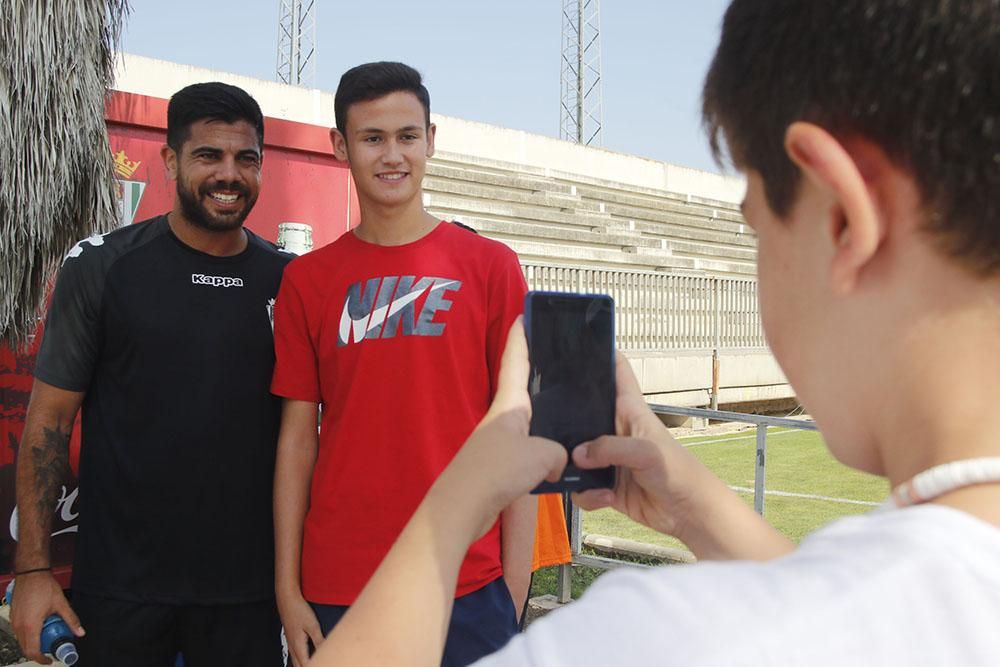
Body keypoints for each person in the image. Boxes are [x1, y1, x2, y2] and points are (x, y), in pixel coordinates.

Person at [308, 1, 1000, 664]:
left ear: (841, 219)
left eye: (756, 224)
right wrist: (694, 503)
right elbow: (856, 615)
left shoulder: (653, 635)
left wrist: (455, 503)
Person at [271, 61, 561, 667]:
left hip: (466, 583)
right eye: (372, 138)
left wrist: (512, 585)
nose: (391, 155)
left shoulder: (491, 267)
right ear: (340, 146)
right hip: (339, 586)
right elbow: (297, 441)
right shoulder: (306, 281)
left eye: (407, 136)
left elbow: (517, 428)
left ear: (431, 139)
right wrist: (288, 589)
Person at [11, 82, 290, 666]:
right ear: (170, 161)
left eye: (246, 159)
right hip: (119, 592)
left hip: (249, 597)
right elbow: (49, 422)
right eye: (208, 156)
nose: (229, 175)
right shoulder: (102, 267)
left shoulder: (290, 282)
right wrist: (35, 569)